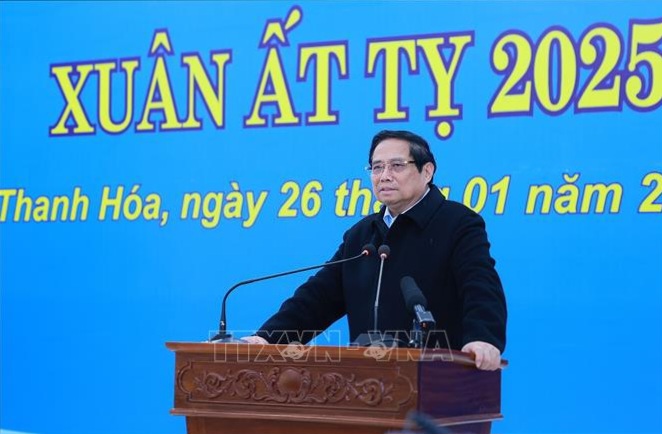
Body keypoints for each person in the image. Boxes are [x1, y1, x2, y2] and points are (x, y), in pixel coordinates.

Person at [244, 130, 507, 370]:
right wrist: (266, 338)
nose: (384, 176)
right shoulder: (362, 235)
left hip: (440, 377)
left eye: (397, 166)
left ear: (427, 172)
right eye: (377, 167)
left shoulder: (457, 223)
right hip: (366, 382)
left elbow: (480, 285)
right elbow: (318, 298)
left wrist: (482, 338)